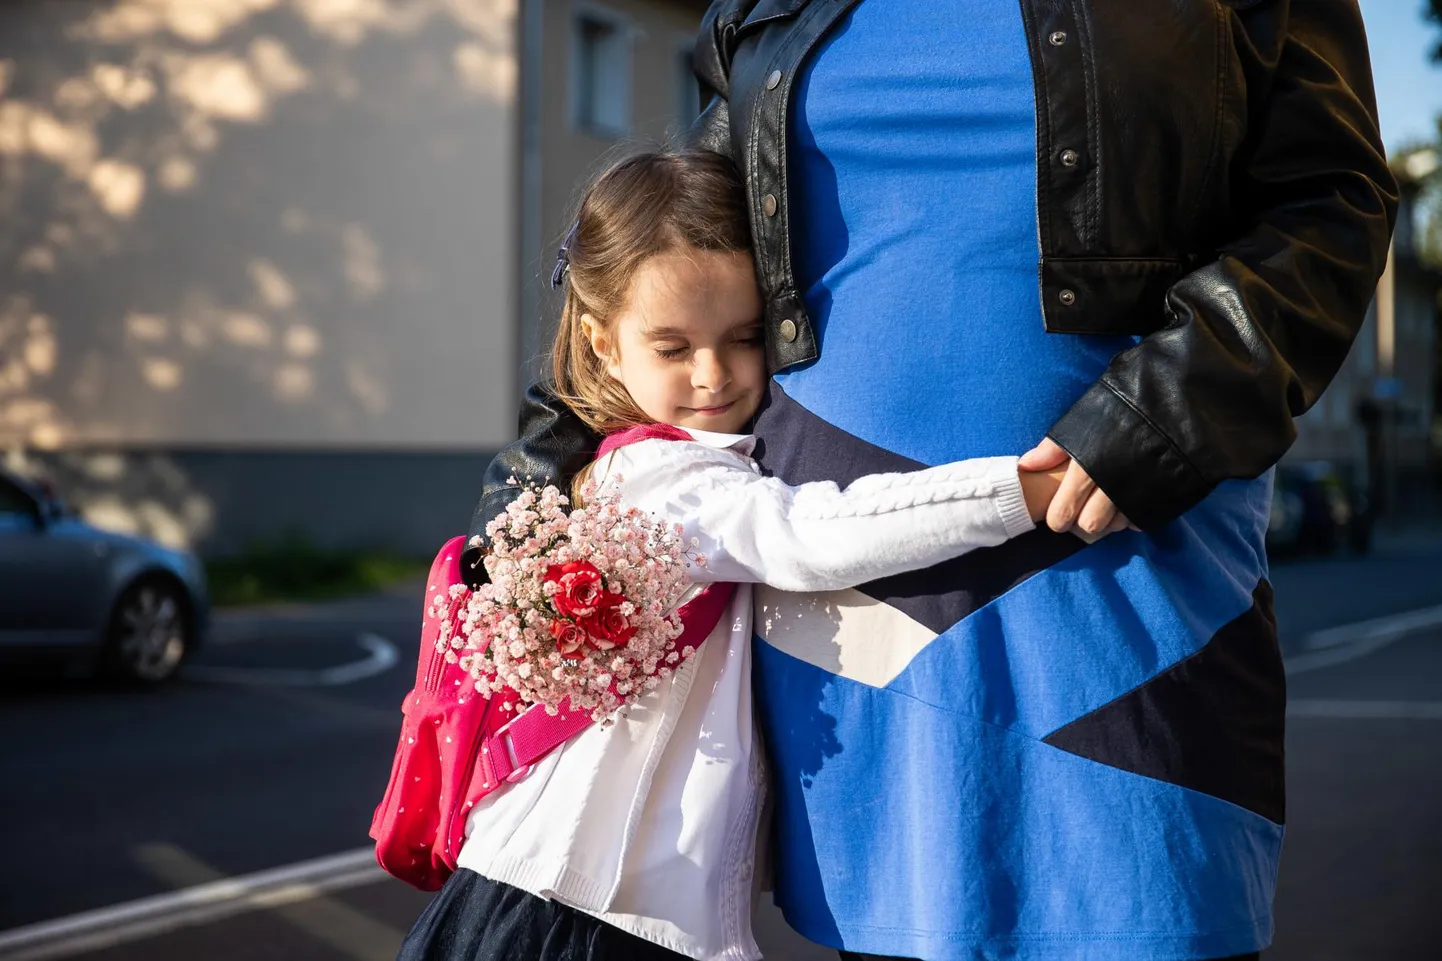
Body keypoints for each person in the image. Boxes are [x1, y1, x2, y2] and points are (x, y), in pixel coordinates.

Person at [467, 3, 1399, 959]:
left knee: (1148, 913)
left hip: (1124, 571)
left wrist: (1169, 413)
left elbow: (1331, 201)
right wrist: (531, 497)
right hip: (848, 621)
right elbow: (659, 252)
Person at [400, 150, 1066, 961]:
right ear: (602, 345)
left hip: (568, 893)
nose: (712, 375)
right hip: (581, 911)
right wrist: (1026, 490)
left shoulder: (621, 467)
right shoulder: (662, 476)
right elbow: (812, 535)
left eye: (744, 338)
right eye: (672, 347)